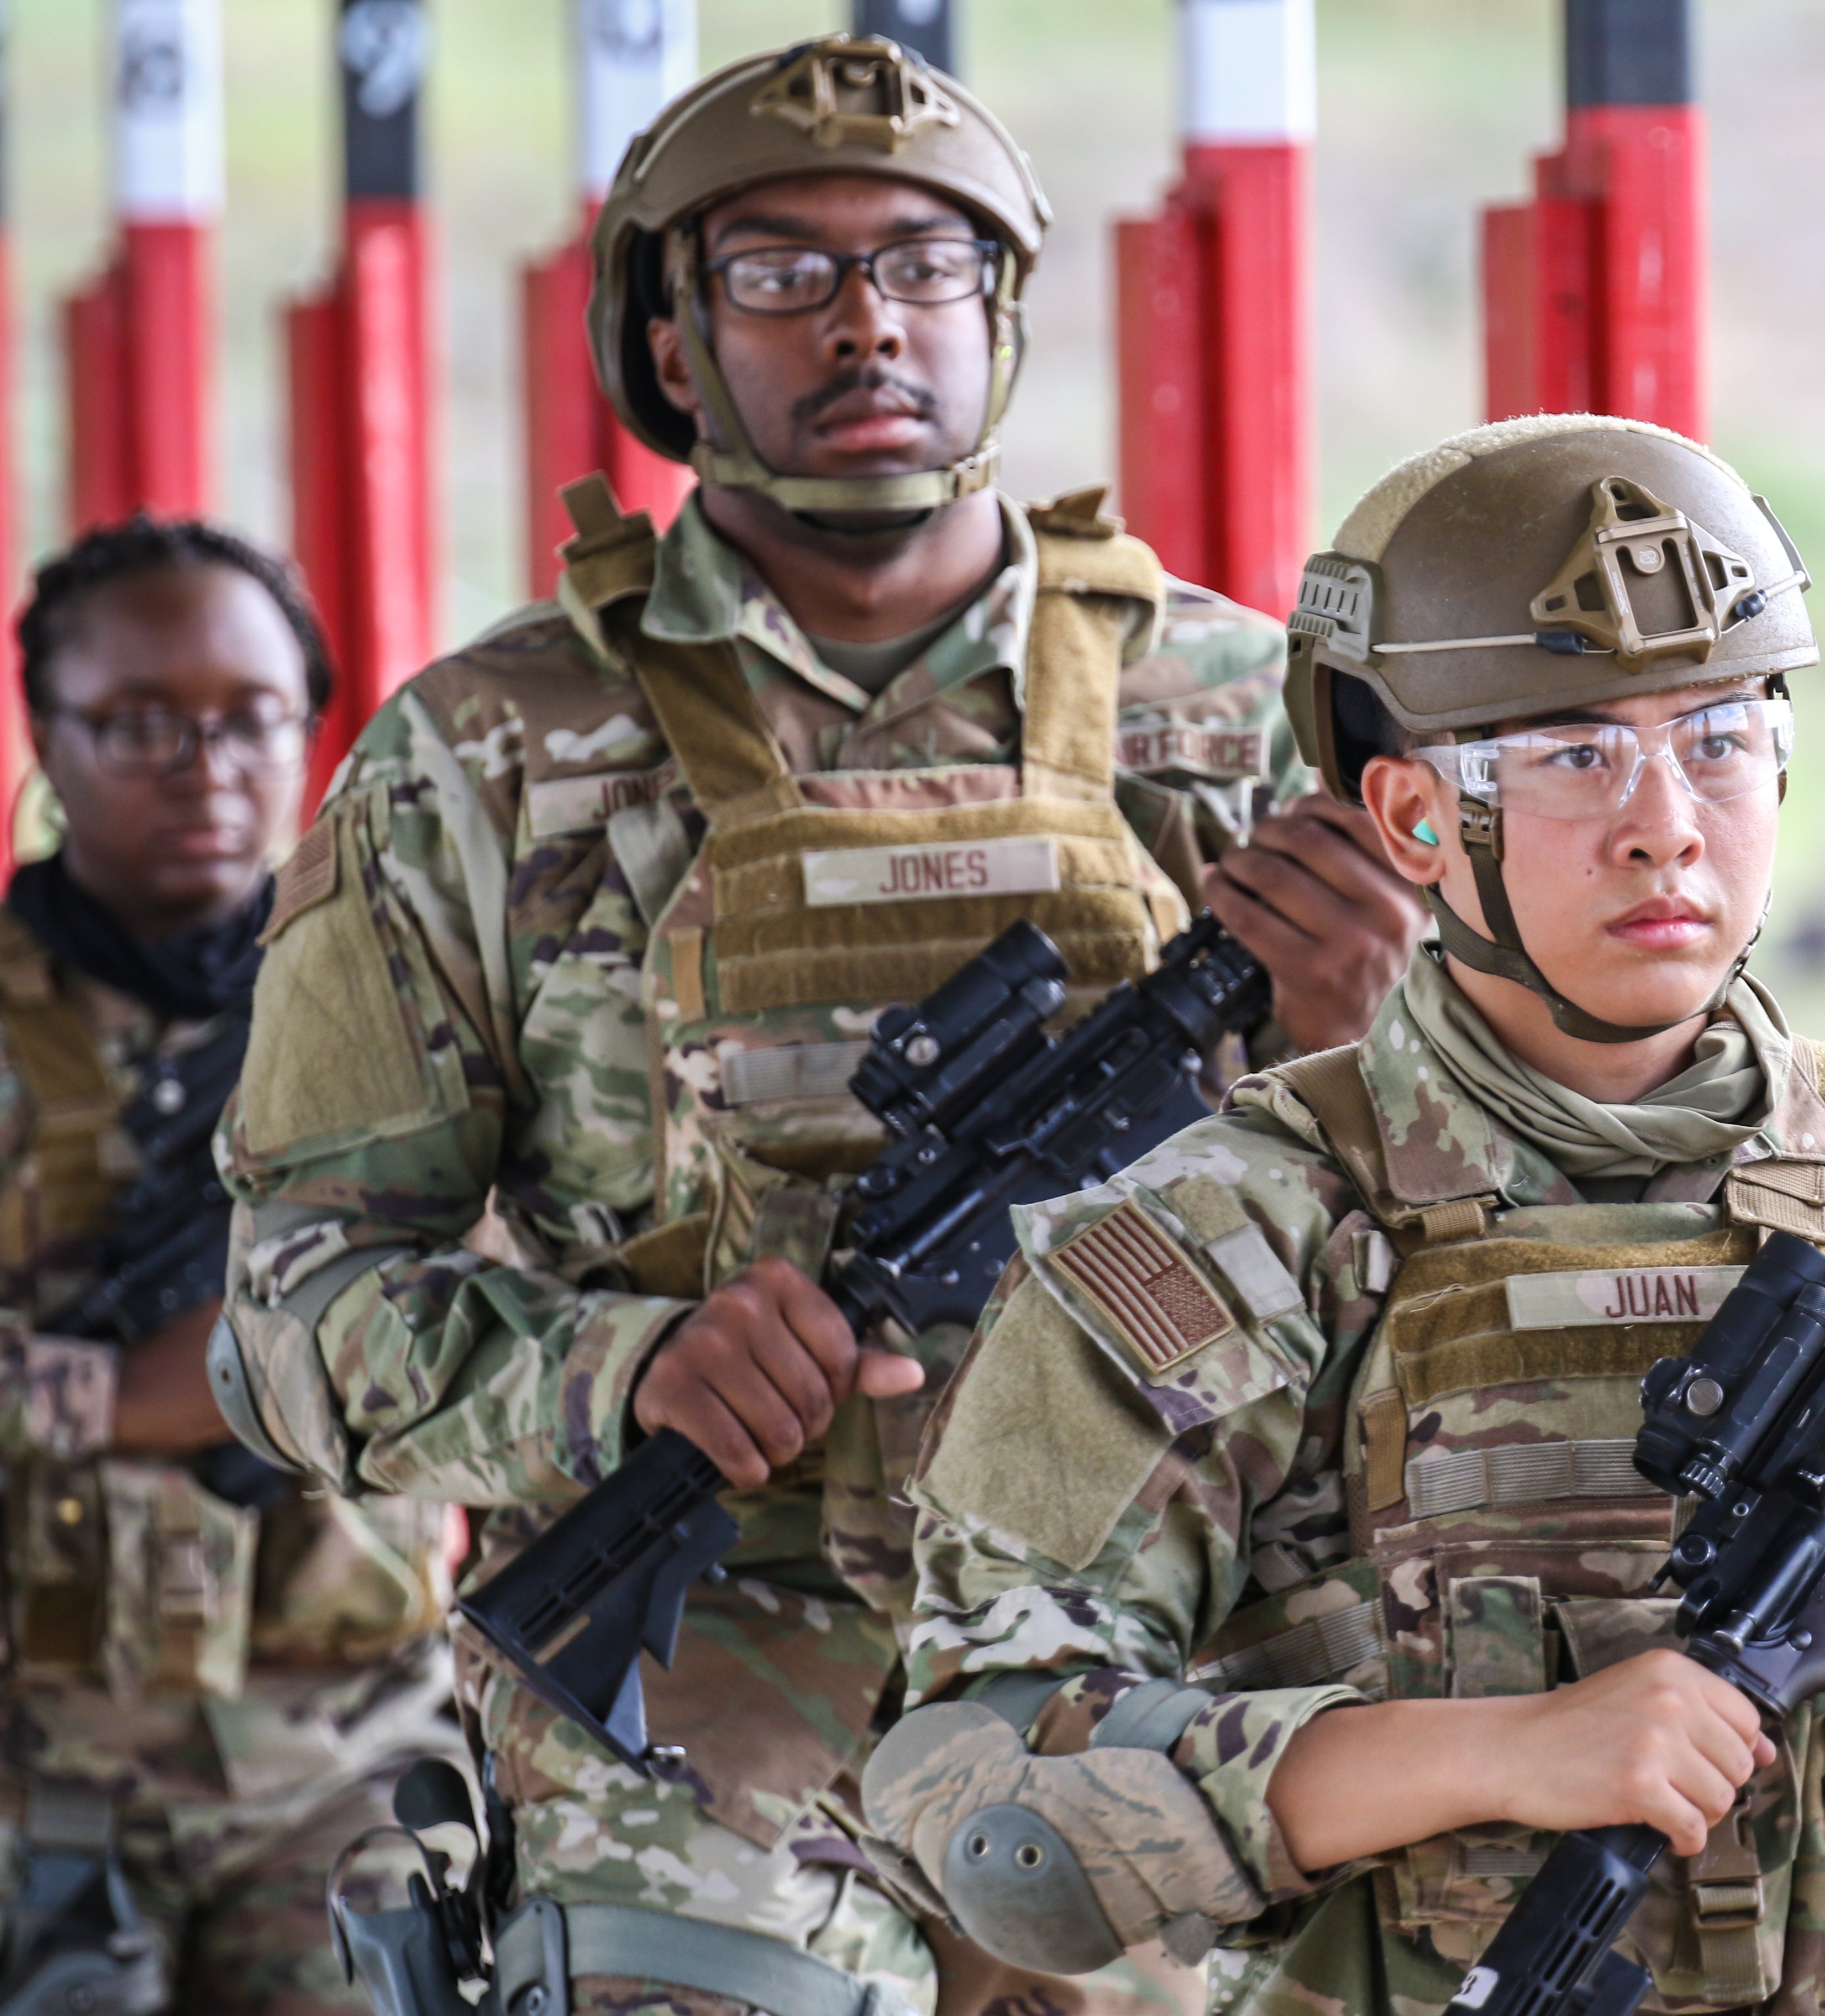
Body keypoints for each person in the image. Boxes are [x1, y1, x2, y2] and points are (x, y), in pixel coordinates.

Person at [213, 35, 1413, 2016]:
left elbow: (1546, 1185)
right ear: (674, 346)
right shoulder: (489, 753)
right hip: (712, 1701)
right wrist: (625, 1374)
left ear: (1002, 315)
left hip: (1180, 1671)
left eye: (924, 268)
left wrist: (1373, 1045)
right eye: (782, 274)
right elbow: (288, 1315)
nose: (868, 321)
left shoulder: (1250, 715)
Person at [858, 415, 1825, 2016]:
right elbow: (977, 1808)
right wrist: (1495, 1755)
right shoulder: (1235, 1233)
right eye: (1574, 754)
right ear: (1410, 821)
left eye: (1721, 740)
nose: (1667, 819)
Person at [0, 517, 459, 2016]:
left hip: (342, 1762)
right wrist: (103, 1400)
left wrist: (228, 1371)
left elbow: (514, 1297)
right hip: (35, 1764)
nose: (201, 763)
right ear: (47, 741)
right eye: (137, 721)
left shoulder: (419, 1014)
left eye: (248, 715)